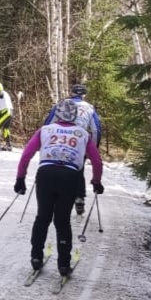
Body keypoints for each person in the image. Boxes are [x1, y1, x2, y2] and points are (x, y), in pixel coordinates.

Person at [15, 99, 104, 276]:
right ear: (75, 116)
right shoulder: (82, 134)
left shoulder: (45, 130)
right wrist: (96, 181)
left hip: (46, 173)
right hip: (70, 176)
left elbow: (26, 155)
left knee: (42, 217)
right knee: (62, 221)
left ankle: (36, 257)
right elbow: (96, 161)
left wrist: (20, 178)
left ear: (57, 113)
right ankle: (63, 264)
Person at [43, 83, 103, 215]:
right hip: (79, 140)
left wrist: (46, 140)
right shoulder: (90, 108)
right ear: (84, 95)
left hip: (59, 138)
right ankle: (79, 198)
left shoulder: (63, 104)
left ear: (72, 93)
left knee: (54, 166)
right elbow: (95, 129)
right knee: (77, 171)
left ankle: (53, 197)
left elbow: (49, 122)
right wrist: (93, 148)